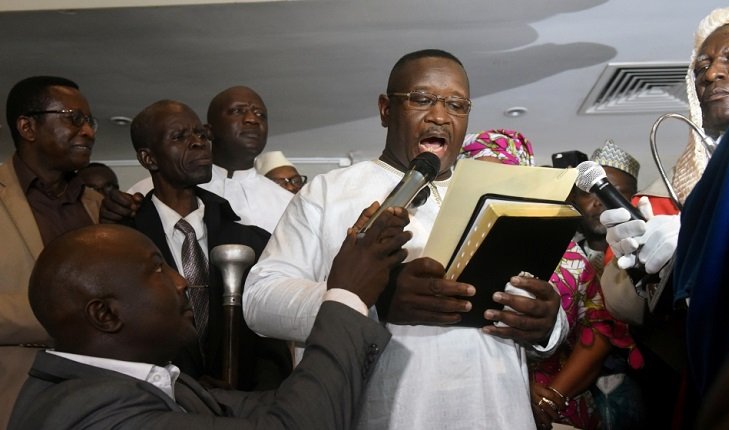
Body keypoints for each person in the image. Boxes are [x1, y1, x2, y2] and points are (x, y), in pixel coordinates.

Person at [243, 49, 567, 429]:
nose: (440, 116)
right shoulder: (328, 192)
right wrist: (372, 299)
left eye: (457, 105)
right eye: (422, 99)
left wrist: (549, 324)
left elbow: (533, 298)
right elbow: (260, 300)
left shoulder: (500, 196)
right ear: (385, 110)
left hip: (498, 413)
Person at [8, 215, 410, 429]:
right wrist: (345, 293)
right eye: (157, 270)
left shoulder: (140, 382)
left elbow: (281, 406)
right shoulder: (94, 412)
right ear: (106, 314)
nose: (182, 281)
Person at [598, 5, 729, 426]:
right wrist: (639, 271)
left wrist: (697, 235)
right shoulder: (672, 187)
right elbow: (630, 310)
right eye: (702, 65)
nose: (711, 73)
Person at [460, 130, 643, 430]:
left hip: (562, 408)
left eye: (506, 178)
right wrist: (518, 390)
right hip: (479, 403)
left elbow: (598, 326)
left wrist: (551, 397)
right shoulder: (448, 250)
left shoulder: (564, 249)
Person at [120, 99, 292, 390]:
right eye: (180, 137)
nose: (198, 143)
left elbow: (270, 342)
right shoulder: (124, 244)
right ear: (149, 158)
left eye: (201, 134)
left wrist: (249, 400)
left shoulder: (251, 241)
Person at [0, 76, 102, 428]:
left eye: (90, 121)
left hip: (104, 399)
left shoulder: (99, 206)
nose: (88, 132)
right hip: (15, 395)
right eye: (74, 118)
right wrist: (73, 316)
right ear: (28, 126)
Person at [102, 86, 292, 233]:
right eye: (237, 111)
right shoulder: (144, 191)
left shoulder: (288, 203)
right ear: (208, 130)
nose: (252, 119)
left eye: (261, 115)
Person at [568, 140, 639, 276]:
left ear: (634, 198)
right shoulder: (562, 257)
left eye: (614, 193)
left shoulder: (642, 260)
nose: (599, 202)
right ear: (575, 199)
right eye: (589, 193)